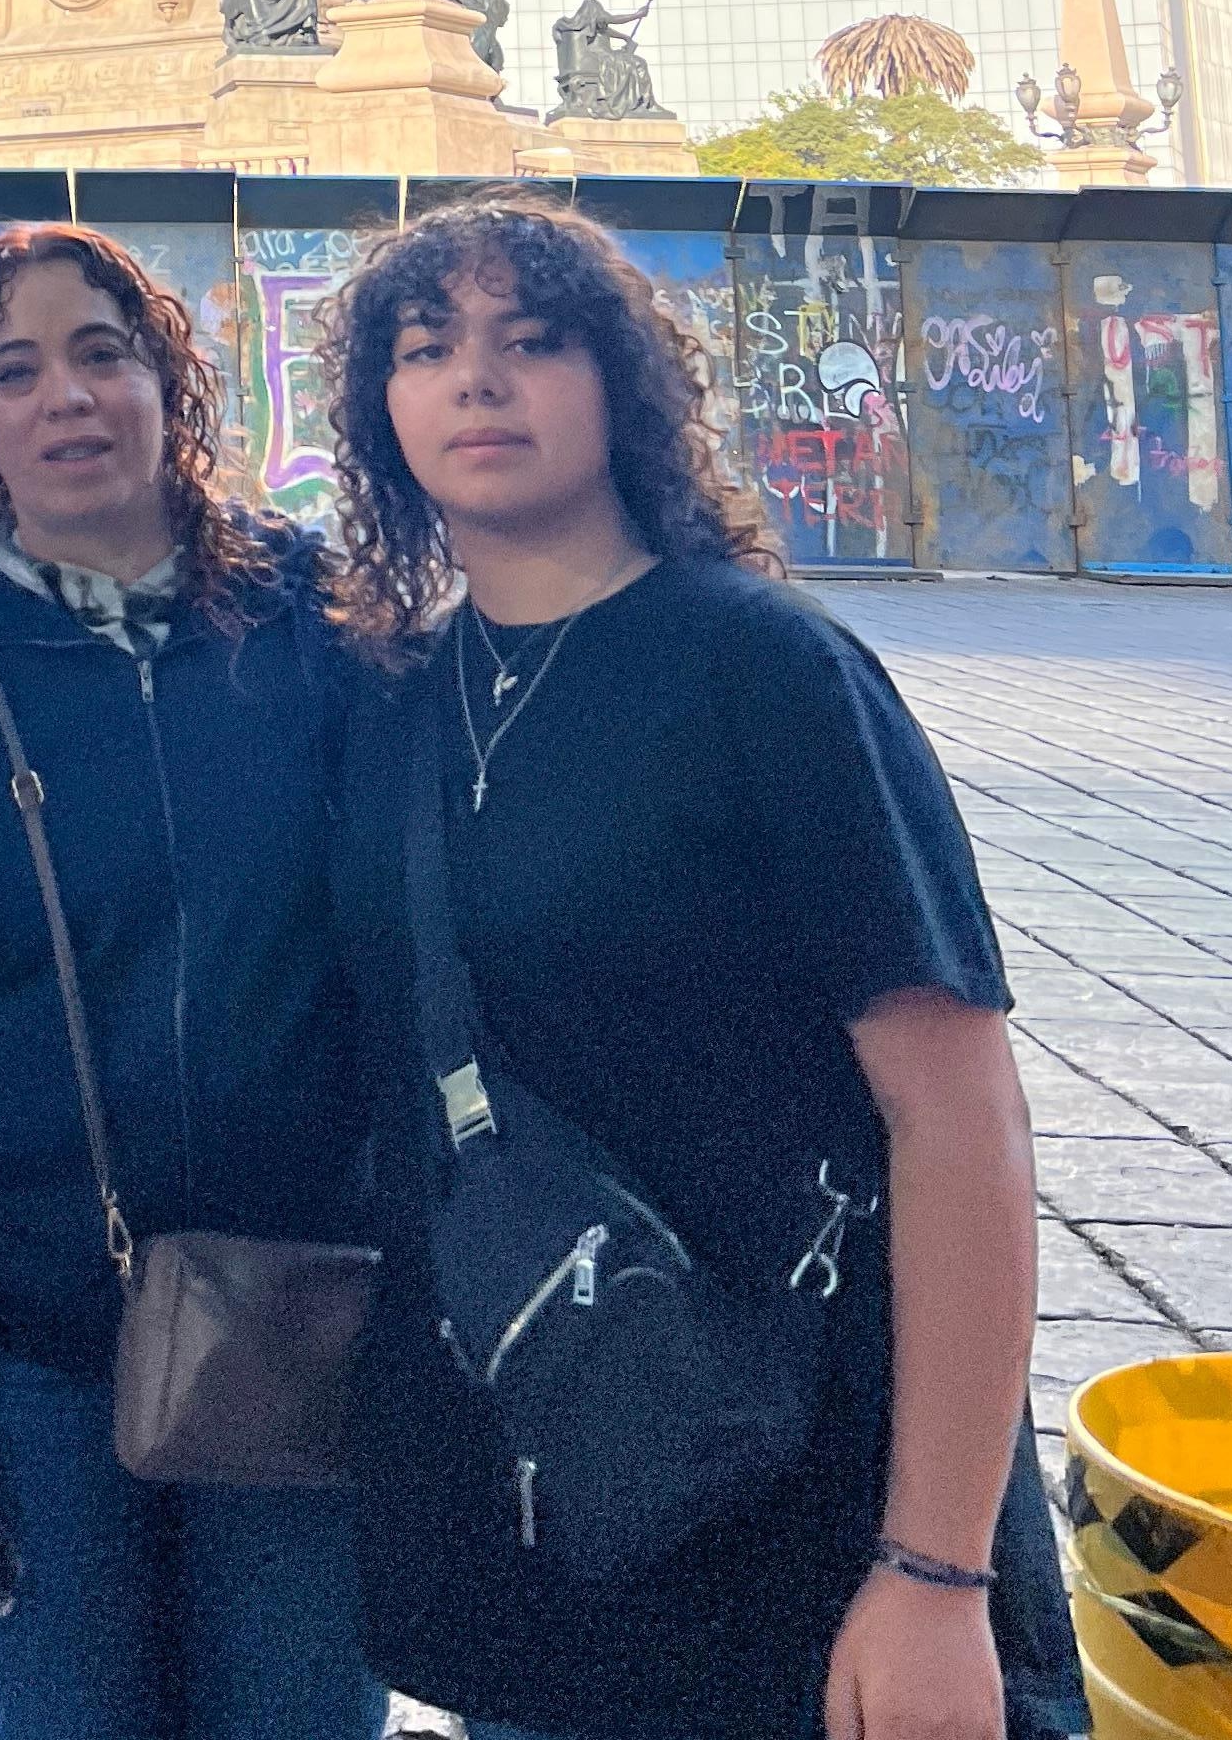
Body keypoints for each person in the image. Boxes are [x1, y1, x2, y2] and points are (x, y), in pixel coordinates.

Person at [316, 197, 1085, 1740]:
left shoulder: (767, 671)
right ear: (376, 408)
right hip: (557, 1489)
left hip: (801, 1494)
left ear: (620, 386)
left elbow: (958, 1118)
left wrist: (935, 1570)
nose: (479, 381)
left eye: (532, 343)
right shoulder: (396, 706)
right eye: (429, 348)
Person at [0, 226, 376, 1740]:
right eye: (16, 369)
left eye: (101, 352)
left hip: (307, 1329)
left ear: (165, 381)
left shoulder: (320, 626)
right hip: (40, 1359)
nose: (67, 396)